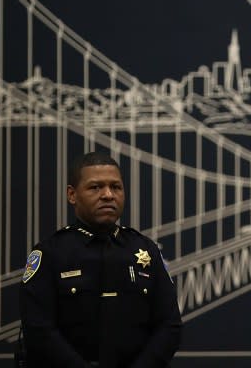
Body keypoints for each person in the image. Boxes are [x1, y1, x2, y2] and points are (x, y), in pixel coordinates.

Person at [19, 151, 182, 367]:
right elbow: (38, 329)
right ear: (72, 195)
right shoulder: (50, 253)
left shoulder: (146, 250)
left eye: (116, 187)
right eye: (95, 187)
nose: (108, 195)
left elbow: (169, 325)